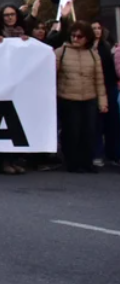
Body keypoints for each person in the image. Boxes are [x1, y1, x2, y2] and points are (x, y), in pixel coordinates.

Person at [56, 22, 107, 173]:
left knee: (89, 131)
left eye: (80, 36)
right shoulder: (61, 52)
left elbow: (99, 80)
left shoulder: (93, 54)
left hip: (89, 98)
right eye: (73, 35)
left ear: (87, 38)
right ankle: (72, 162)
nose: (76, 39)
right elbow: (51, 74)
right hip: (68, 98)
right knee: (72, 131)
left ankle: (87, 162)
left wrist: (102, 102)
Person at [91, 22, 119, 168]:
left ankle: (113, 154)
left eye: (99, 28)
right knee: (97, 123)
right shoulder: (87, 48)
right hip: (93, 88)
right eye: (94, 29)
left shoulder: (107, 46)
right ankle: (97, 154)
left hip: (109, 86)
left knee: (112, 122)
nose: (97, 31)